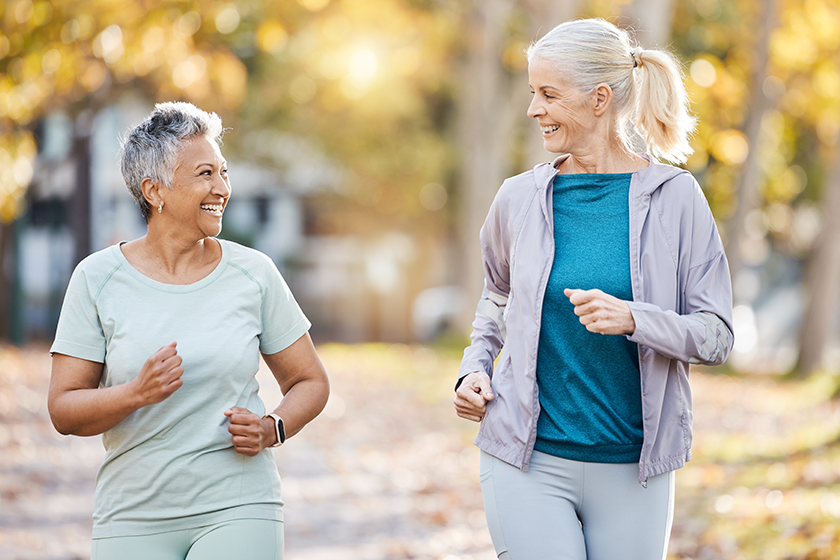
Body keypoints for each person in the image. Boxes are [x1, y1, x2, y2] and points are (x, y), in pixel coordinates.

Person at [453, 18, 733, 560]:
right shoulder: (517, 199)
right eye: (533, 93)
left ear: (599, 98)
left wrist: (636, 319)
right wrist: (474, 369)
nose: (534, 109)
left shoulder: (677, 199)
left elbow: (717, 335)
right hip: (526, 459)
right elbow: (496, 300)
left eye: (548, 94)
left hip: (635, 468)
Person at [47, 102, 330, 560]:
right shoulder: (96, 278)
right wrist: (135, 393)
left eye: (223, 172)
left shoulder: (253, 273)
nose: (222, 188)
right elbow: (63, 409)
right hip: (132, 512)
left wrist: (272, 428)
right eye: (205, 174)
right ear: (154, 191)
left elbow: (310, 381)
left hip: (238, 503)